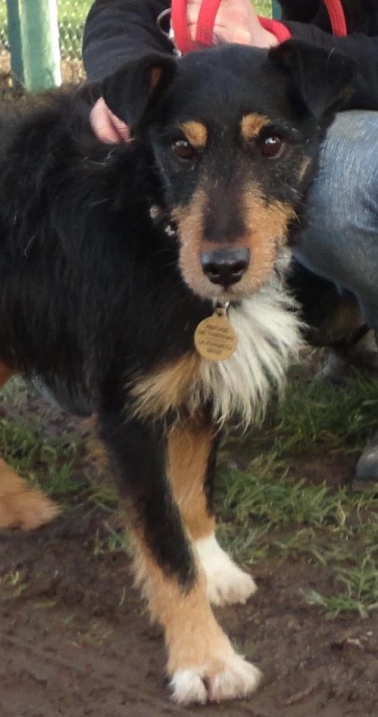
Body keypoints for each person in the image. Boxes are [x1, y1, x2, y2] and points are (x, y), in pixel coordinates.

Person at [82, 0, 378, 483]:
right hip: (319, 87)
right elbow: (126, 8)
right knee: (74, 381)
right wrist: (132, 81)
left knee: (339, 186)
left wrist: (275, 38)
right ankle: (344, 320)